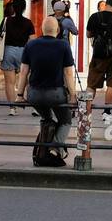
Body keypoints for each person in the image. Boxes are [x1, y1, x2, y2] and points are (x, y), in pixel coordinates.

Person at [21, 17, 77, 166]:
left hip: (34, 94)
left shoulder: (31, 45)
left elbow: (23, 72)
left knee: (47, 119)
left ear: (41, 30)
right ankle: (54, 148)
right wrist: (73, 95)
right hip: (56, 94)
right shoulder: (63, 45)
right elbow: (68, 73)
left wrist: (20, 95)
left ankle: (42, 152)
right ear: (57, 31)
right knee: (65, 121)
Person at [0, 0, 34, 115]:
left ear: (13, 7)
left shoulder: (6, 20)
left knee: (9, 82)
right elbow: (32, 40)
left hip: (8, 51)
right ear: (24, 8)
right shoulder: (28, 22)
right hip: (24, 52)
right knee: (27, 79)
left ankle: (12, 108)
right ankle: (27, 101)